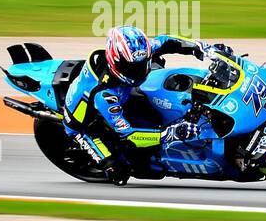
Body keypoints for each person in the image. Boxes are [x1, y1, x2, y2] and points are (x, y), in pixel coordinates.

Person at [60, 25, 220, 182]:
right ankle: (111, 164)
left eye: (142, 64)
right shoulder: (105, 95)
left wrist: (202, 48)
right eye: (132, 68)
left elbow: (166, 41)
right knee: (119, 172)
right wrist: (169, 133)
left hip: (124, 94)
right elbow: (131, 136)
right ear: (116, 62)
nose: (139, 70)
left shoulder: (135, 53)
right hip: (82, 127)